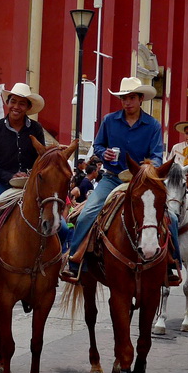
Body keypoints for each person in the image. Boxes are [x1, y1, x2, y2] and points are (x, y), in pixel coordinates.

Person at [63, 76, 174, 284]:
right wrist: (104, 154)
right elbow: (98, 145)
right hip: (112, 178)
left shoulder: (153, 125)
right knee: (87, 212)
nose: (127, 102)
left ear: (141, 99)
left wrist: (147, 167)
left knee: (171, 218)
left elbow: (158, 154)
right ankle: (75, 260)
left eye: (131, 98)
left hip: (141, 181)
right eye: (124, 98)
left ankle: (171, 262)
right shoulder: (109, 120)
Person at [0, 82, 47, 216]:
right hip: (2, 185)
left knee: (61, 226)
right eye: (13, 101)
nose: (16, 107)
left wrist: (30, 174)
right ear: (7, 103)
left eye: (21, 103)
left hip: (31, 185)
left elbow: (41, 158)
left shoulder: (36, 129)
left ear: (28, 107)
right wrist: (9, 176)